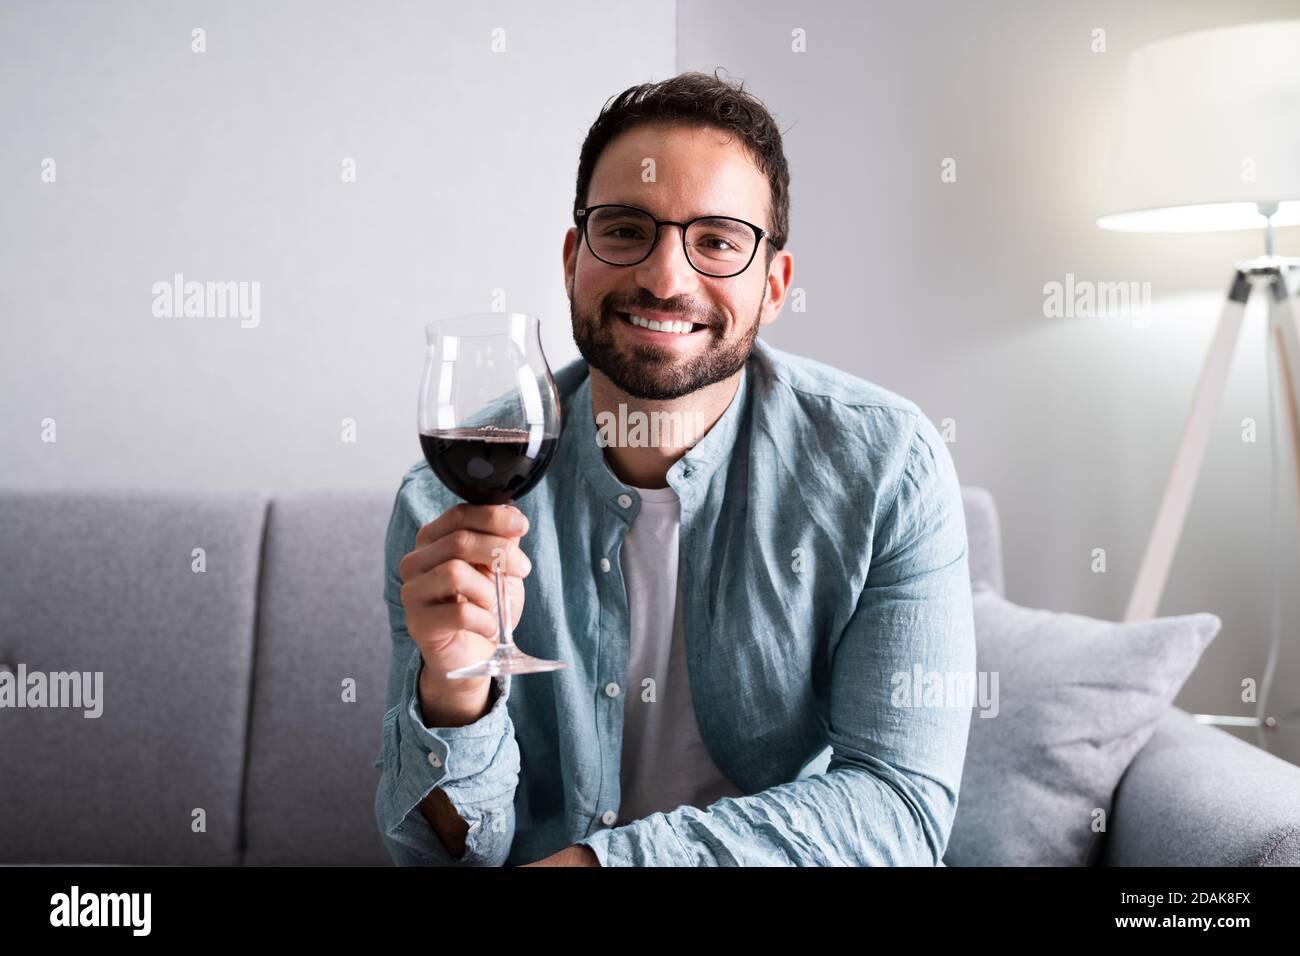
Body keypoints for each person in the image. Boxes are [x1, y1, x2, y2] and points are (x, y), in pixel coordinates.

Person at [374, 70, 976, 867]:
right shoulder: (441, 502)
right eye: (626, 230)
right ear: (572, 260)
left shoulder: (889, 470)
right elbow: (445, 856)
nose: (665, 277)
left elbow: (900, 810)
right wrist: (453, 695)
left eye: (717, 241)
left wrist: (605, 865)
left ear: (773, 287)